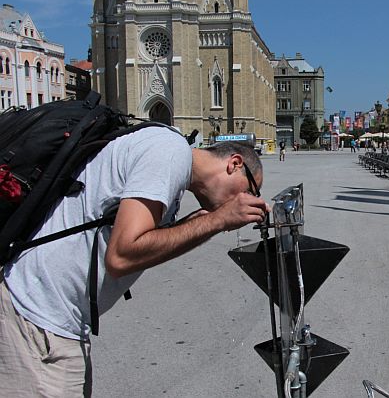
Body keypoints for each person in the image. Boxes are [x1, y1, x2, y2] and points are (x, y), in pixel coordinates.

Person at [0, 130, 269, 396]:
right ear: (235, 164)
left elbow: (152, 241)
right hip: (38, 319)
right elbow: (122, 256)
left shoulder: (169, 156)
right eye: (250, 190)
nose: (247, 200)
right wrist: (217, 219)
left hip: (52, 321)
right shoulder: (168, 151)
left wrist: (207, 221)